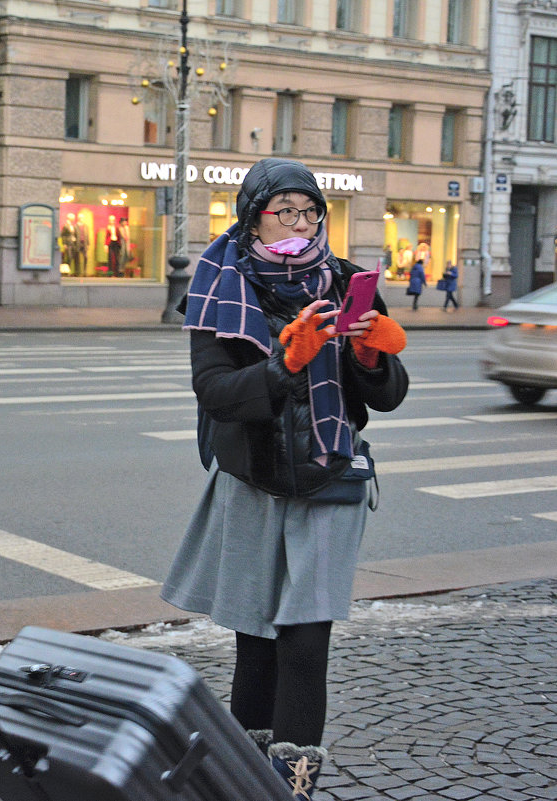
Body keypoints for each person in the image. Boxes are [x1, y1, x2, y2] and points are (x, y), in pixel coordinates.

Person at [161, 158, 409, 799]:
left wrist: (371, 354)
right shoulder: (221, 284)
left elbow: (385, 398)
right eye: (285, 212)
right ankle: (249, 781)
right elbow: (215, 391)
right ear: (254, 217)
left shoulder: (349, 281)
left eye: (309, 212)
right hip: (254, 484)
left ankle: (293, 787)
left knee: (304, 643)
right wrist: (282, 367)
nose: (299, 224)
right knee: (258, 644)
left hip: (330, 482)